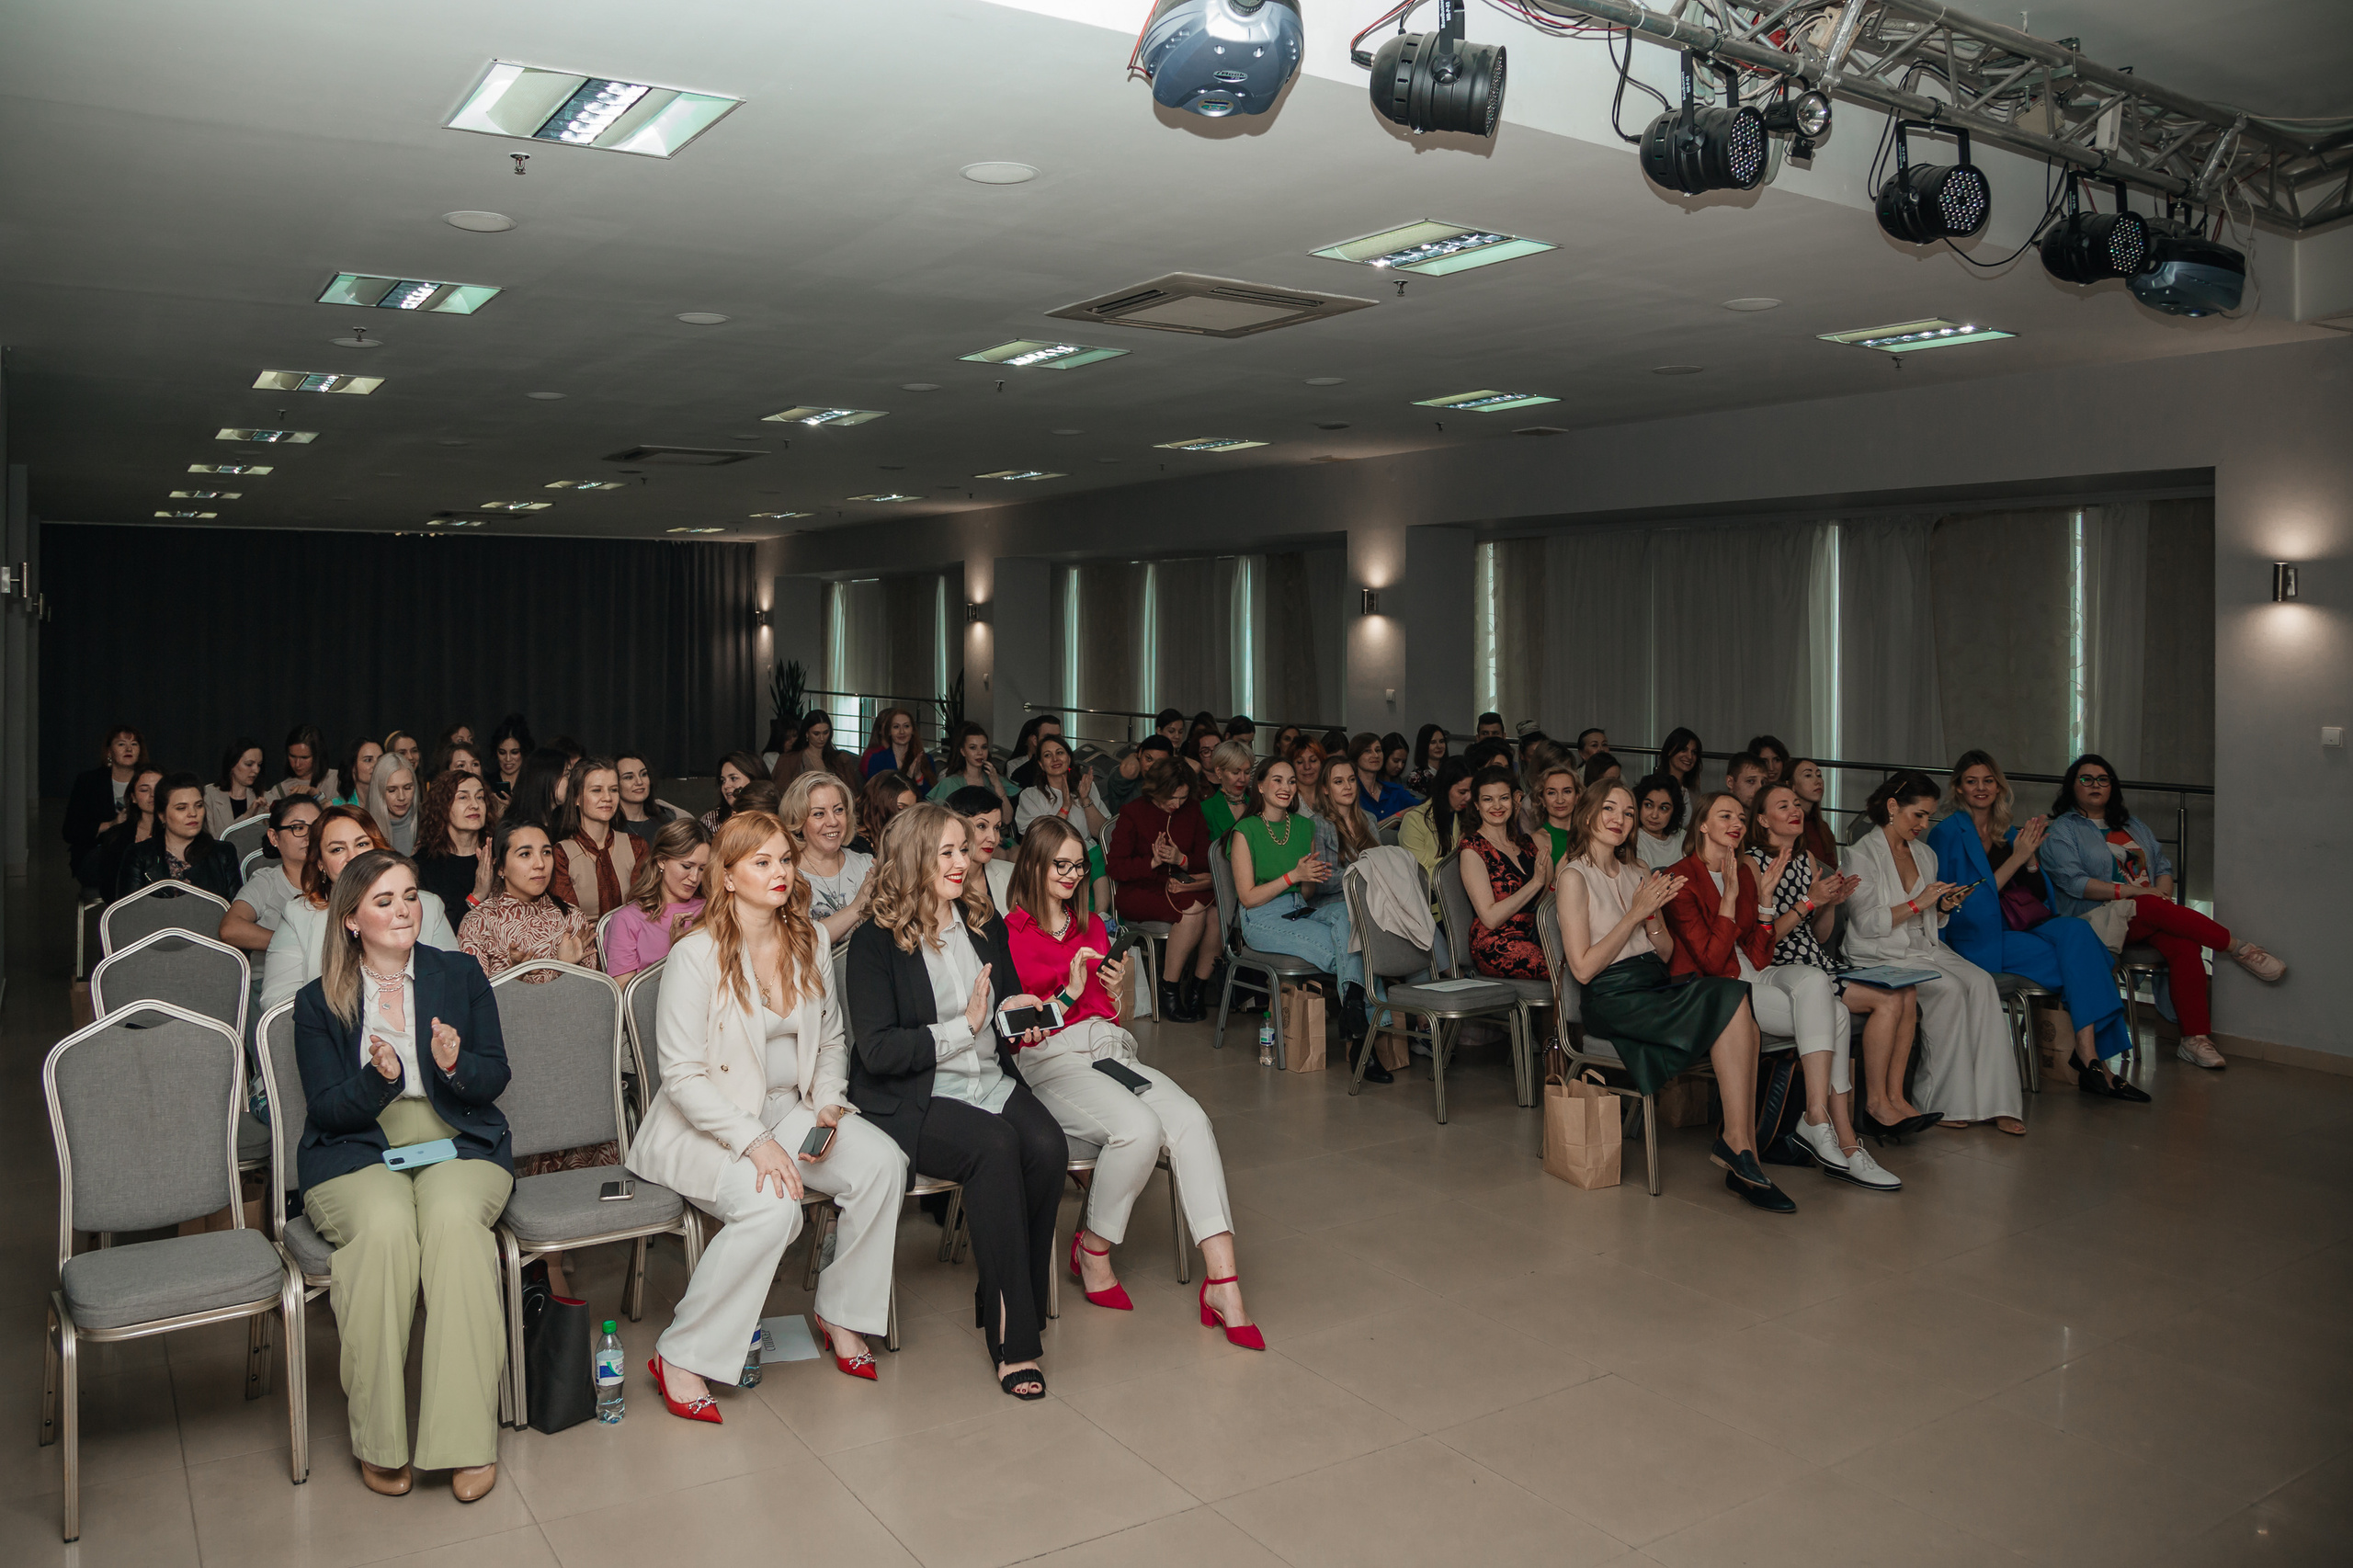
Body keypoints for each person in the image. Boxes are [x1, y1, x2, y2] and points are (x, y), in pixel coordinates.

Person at [627, 812, 908, 1412]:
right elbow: (680, 1077)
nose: (780, 871)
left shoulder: (807, 938)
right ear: (725, 877)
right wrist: (755, 1141)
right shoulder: (696, 955)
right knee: (775, 1208)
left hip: (794, 1107)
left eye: (784, 859)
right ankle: (681, 1351)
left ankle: (843, 1314)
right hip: (704, 1124)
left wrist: (830, 1103)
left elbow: (831, 1039)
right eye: (762, 862)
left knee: (883, 1164)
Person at [292, 848, 511, 1501]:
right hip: (357, 1146)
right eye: (384, 900)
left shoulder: (459, 974)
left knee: (452, 1228)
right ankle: (380, 1439)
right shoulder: (318, 1000)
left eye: (410, 895)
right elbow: (328, 1107)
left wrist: (452, 1063)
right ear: (351, 918)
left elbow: (494, 1075)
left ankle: (465, 1438)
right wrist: (378, 1080)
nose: (403, 910)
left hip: (455, 1139)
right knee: (386, 1232)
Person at [1001, 819, 1259, 1346]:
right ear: (1033, 863)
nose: (1074, 875)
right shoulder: (1005, 935)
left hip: (1108, 1051)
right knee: (1138, 1129)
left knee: (1190, 1120)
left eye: (1080, 865)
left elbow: (1109, 1016)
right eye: (1062, 865)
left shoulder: (1094, 925)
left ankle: (1224, 1283)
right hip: (1047, 1060)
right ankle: (1093, 1248)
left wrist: (1116, 995)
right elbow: (1008, 1033)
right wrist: (1068, 998)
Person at [845, 803, 1068, 1400]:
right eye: (946, 851)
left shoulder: (980, 921)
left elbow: (1009, 1001)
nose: (961, 862)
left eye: (962, 850)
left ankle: (1003, 1290)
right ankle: (1014, 1336)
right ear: (916, 857)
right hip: (914, 1098)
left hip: (990, 1080)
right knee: (996, 1148)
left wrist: (1024, 1022)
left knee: (1047, 1147)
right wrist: (962, 1030)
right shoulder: (875, 943)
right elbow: (878, 1052)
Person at [1556, 782, 1787, 1211]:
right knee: (1730, 999)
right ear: (1588, 815)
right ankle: (1741, 1149)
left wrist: (1653, 921)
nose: (1619, 819)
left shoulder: (1639, 871)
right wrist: (1635, 914)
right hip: (1612, 996)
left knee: (1734, 996)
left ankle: (1741, 1146)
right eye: (1609, 809)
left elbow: (1663, 951)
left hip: (1652, 982)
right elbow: (1584, 969)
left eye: (1627, 813)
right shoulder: (1573, 875)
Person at [1667, 792, 1892, 1189]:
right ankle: (1839, 1136)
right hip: (1717, 987)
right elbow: (1713, 961)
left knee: (1815, 981)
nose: (1736, 822)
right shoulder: (1683, 877)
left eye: (1740, 815)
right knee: (1836, 1016)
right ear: (1702, 825)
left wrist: (1767, 901)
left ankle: (1820, 1120)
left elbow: (1760, 949)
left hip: (1754, 971)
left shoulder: (1743, 870)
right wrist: (1733, 898)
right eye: (1724, 816)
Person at [1923, 753, 2145, 1101]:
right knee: (2088, 961)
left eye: (1988, 781)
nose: (1981, 788)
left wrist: (2029, 860)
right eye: (1972, 781)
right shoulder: (1946, 834)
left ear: (1998, 787)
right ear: (1959, 788)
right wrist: (2016, 857)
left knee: (2076, 931)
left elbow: (2040, 896)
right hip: (1976, 936)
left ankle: (2086, 1054)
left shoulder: (2007, 832)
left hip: (2020, 924)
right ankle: (2095, 1063)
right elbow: (1962, 903)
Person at [2040, 754, 2285, 1069]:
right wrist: (2139, 893)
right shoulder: (2062, 830)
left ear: (2112, 786)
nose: (2095, 785)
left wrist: (2161, 893)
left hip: (2147, 912)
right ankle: (2239, 948)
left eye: (2103, 779)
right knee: (2152, 907)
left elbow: (2164, 867)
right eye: (2085, 779)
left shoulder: (2133, 826)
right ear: (2072, 787)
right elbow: (2076, 884)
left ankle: (2194, 1039)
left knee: (2184, 945)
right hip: (2097, 917)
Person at [1747, 782, 1934, 1143]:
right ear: (1762, 819)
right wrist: (1808, 901)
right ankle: (1876, 1104)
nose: (1794, 810)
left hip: (1816, 958)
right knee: (1887, 999)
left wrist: (1830, 903)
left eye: (1797, 804)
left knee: (1905, 990)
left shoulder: (1805, 860)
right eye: (1782, 805)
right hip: (1783, 966)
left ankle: (1895, 1097)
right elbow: (1763, 941)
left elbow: (1818, 935)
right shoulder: (1753, 863)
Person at [1842, 771, 2023, 1135]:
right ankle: (1942, 1100)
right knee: (1952, 991)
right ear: (1892, 807)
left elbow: (1932, 923)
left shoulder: (1925, 854)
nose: (1924, 824)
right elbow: (1866, 924)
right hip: (1880, 955)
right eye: (1918, 815)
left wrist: (1942, 907)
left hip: (1925, 948)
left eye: (1928, 816)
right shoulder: (1859, 855)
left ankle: (1997, 1101)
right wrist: (1918, 902)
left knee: (1982, 984)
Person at [1226, 757, 1374, 1069]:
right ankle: (1364, 1038)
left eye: (1291, 781)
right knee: (1348, 951)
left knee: (1350, 924)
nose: (1286, 787)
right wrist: (1294, 876)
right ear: (1261, 786)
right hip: (1261, 918)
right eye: (1277, 781)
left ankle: (1356, 1022)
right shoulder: (1245, 830)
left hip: (1300, 908)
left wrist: (1308, 879)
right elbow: (1248, 897)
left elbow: (1307, 894)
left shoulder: (1304, 826)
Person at [263, 806, 463, 1011]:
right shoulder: (299, 914)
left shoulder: (427, 907)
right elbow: (278, 1002)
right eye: (337, 849)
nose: (353, 857)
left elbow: (455, 984)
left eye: (362, 844)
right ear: (321, 863)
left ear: (378, 849)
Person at [1108, 757, 1221, 1021]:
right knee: (1192, 910)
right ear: (1155, 790)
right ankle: (1169, 990)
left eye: (1182, 798)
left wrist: (1182, 859)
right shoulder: (1133, 812)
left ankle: (1196, 988)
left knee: (1216, 914)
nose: (1176, 804)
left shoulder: (1192, 810)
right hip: (1140, 891)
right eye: (1170, 798)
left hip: (1182, 886)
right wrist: (1152, 862)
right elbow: (1116, 867)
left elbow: (1207, 857)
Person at [458, 818, 600, 980]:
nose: (540, 864)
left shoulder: (572, 918)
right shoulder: (478, 923)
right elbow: (475, 1000)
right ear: (501, 867)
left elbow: (592, 999)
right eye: (525, 854)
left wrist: (566, 967)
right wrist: (515, 975)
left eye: (546, 852)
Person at [1458, 765, 1552, 982]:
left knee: (1583, 956)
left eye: (1504, 798)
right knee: (1569, 967)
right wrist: (1536, 882)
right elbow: (1489, 918)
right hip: (1496, 943)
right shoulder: (1472, 848)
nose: (1497, 806)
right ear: (1477, 805)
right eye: (1488, 799)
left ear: (1514, 800)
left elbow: (1540, 902)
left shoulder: (1525, 844)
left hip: (1535, 934)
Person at [604, 817, 711, 978]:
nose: (695, 877)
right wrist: (676, 951)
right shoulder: (626, 920)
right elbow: (625, 994)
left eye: (702, 869)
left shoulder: (712, 909)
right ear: (662, 861)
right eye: (686, 866)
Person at [112, 771, 244, 900]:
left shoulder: (223, 853)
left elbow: (236, 912)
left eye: (199, 805)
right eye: (181, 808)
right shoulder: (139, 855)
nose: (193, 813)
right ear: (162, 815)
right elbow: (127, 914)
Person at [781, 772, 873, 946]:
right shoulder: (785, 876)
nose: (833, 821)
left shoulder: (867, 866)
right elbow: (800, 945)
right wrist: (857, 906)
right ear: (798, 821)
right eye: (819, 814)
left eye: (838, 810)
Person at [222, 797, 323, 955]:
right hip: (271, 974)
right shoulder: (266, 881)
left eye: (316, 827)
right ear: (274, 837)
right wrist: (296, 943)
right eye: (298, 827)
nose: (309, 836)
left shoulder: (334, 877)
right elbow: (231, 928)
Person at [547, 756, 642, 922]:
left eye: (613, 790)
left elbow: (642, 909)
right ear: (576, 798)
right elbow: (568, 920)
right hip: (581, 943)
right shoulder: (561, 854)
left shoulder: (636, 846)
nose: (607, 797)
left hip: (631, 939)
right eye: (597, 790)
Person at [411, 772, 494, 919]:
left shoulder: (499, 855)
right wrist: (478, 895)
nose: (475, 805)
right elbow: (438, 933)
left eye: (480, 797)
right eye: (463, 797)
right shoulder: (422, 866)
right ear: (443, 806)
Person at [81, 765, 165, 895]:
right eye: (144, 790)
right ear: (133, 797)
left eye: (159, 789)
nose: (153, 795)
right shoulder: (117, 835)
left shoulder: (182, 832)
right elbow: (109, 885)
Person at [1014, 734, 1106, 843]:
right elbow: (1038, 841)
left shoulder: (1085, 787)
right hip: (1051, 856)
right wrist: (1065, 808)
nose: (1055, 759)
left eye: (1060, 752)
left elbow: (1101, 833)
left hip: (1088, 853)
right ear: (1041, 764)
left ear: (1069, 758)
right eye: (1047, 755)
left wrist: (1085, 799)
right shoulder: (1030, 796)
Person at [946, 785, 1016, 911]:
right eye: (982, 826)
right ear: (956, 826)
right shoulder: (937, 883)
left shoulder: (1012, 875)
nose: (993, 839)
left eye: (997, 828)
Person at [928, 721, 1015, 814]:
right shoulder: (949, 783)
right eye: (973, 747)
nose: (980, 752)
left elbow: (1007, 819)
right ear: (963, 751)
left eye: (984, 747)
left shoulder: (996, 780)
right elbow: (935, 819)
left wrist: (997, 784)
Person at [775, 710, 864, 796]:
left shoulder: (840, 759)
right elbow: (780, 791)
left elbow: (853, 792)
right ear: (807, 733)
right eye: (816, 733)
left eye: (825, 732)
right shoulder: (789, 760)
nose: (822, 738)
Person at [861, 707, 938, 791]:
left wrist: (918, 776)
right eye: (896, 727)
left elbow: (930, 798)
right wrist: (908, 777)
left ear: (912, 730)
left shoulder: (926, 759)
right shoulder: (877, 759)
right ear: (889, 732)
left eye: (906, 726)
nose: (902, 732)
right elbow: (874, 794)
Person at [1784, 757, 1842, 869]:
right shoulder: (1787, 824)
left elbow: (1831, 868)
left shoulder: (1822, 827)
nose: (1818, 781)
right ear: (1791, 785)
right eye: (1808, 775)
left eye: (1819, 775)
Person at [204, 737, 268, 835]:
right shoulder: (209, 795)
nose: (256, 770)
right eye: (249, 764)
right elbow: (214, 840)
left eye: (259, 765)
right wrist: (247, 816)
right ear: (232, 764)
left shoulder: (266, 798)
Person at [1350, 732, 1419, 823]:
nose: (1375, 755)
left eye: (1378, 750)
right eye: (1368, 751)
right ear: (1355, 757)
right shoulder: (1349, 793)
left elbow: (1425, 807)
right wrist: (1398, 816)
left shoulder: (1395, 791)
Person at [501, 747, 570, 833]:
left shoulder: (562, 822)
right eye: (567, 774)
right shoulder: (517, 829)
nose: (571, 780)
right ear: (546, 778)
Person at [1198, 739, 1255, 841]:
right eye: (1235, 772)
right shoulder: (1205, 810)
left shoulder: (1257, 807)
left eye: (1247, 772)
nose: (1242, 779)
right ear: (1219, 771)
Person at [615, 751, 680, 840]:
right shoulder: (606, 827)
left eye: (644, 774)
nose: (639, 782)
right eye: (629, 777)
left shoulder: (666, 824)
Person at [700, 751, 770, 833]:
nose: (726, 786)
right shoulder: (711, 821)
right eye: (723, 781)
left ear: (754, 780)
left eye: (733, 778)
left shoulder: (774, 816)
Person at [267, 723, 338, 804]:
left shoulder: (337, 780)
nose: (297, 764)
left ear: (317, 755)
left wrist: (317, 795)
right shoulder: (280, 790)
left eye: (304, 758)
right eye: (292, 756)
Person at [855, 770, 920, 857]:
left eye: (912, 810)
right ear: (878, 804)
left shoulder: (897, 839)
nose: (908, 816)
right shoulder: (857, 846)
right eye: (900, 808)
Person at [365, 757, 421, 856]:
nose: (401, 797)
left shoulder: (429, 825)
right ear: (378, 792)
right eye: (392, 790)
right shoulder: (364, 829)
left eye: (407, 788)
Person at [1632, 773, 1686, 869]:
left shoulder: (1682, 838)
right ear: (1639, 805)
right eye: (1648, 805)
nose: (1654, 815)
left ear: (1674, 811)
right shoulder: (1632, 840)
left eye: (1664, 808)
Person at [1530, 761, 1581, 863]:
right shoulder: (1538, 839)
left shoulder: (1587, 834)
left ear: (1577, 797)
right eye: (1552, 793)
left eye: (1567, 791)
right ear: (1543, 800)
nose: (1560, 800)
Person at [1006, 714, 1063, 791]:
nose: (1054, 742)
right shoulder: (1021, 774)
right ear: (1035, 740)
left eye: (1057, 737)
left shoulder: (1069, 768)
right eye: (1047, 737)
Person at [486, 715, 532, 807]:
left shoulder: (534, 782)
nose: (508, 759)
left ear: (524, 751)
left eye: (514, 752)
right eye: (502, 752)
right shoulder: (486, 783)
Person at [332, 737, 385, 809]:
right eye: (368, 760)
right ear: (353, 766)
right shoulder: (337, 807)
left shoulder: (392, 804)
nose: (376, 765)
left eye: (380, 759)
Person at [1657, 727, 1705, 798]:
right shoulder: (1656, 787)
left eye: (1694, 752)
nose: (1690, 757)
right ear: (1669, 751)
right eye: (1684, 750)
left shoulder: (1694, 790)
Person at [1404, 724, 1449, 794]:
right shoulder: (1416, 777)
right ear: (1424, 745)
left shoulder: (1451, 770)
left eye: (1441, 741)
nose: (1439, 746)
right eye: (1433, 742)